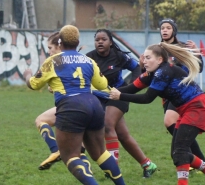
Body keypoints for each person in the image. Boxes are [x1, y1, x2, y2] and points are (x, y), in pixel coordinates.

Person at [24, 25, 126, 185]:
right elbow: (102, 84)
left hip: (71, 107)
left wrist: (28, 75)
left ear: (60, 42)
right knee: (100, 153)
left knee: (70, 156)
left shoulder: (53, 61)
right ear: (77, 42)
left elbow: (34, 84)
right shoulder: (88, 60)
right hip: (94, 105)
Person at [109, 42, 205, 185]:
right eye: (144, 57)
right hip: (186, 110)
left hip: (197, 108)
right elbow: (131, 88)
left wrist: (119, 96)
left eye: (148, 57)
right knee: (178, 153)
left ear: (160, 59)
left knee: (180, 152)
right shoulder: (151, 73)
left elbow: (147, 98)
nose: (143, 60)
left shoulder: (163, 72)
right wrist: (107, 91)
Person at [86, 29, 157, 178]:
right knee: (123, 135)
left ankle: (113, 167)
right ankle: (148, 164)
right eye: (97, 39)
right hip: (99, 97)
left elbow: (137, 68)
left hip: (118, 95)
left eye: (103, 39)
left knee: (107, 124)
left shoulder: (118, 56)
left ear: (110, 42)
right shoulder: (89, 58)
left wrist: (130, 88)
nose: (100, 42)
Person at [139, 18, 205, 165]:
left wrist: (197, 54)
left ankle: (192, 159)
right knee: (180, 135)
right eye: (162, 27)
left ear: (174, 31)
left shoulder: (183, 47)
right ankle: (198, 162)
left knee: (170, 121)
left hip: (183, 92)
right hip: (167, 95)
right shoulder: (157, 50)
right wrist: (142, 66)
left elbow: (199, 68)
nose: (164, 30)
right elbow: (150, 75)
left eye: (168, 28)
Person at [30, 32, 90, 171]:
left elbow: (34, 84)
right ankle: (91, 172)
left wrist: (28, 76)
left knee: (41, 120)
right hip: (92, 107)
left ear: (59, 45)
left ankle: (55, 150)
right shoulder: (80, 59)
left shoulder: (57, 61)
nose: (49, 51)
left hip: (74, 106)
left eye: (50, 47)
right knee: (82, 147)